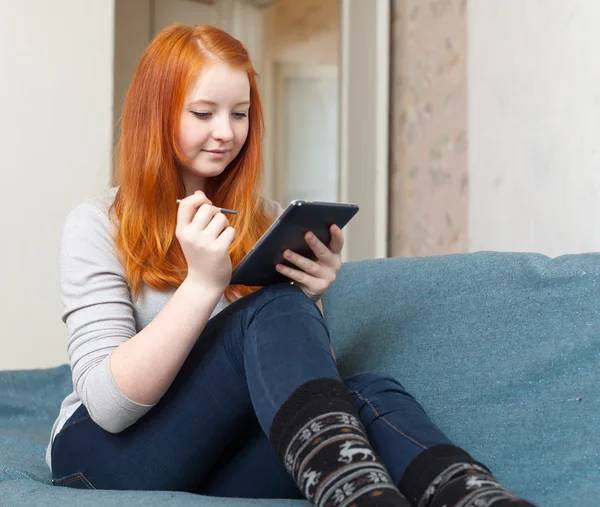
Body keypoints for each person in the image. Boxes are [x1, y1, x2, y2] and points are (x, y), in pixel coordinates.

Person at [47, 24, 536, 507]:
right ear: (155, 116)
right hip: (100, 458)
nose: (226, 133)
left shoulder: (261, 219)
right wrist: (202, 287)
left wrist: (311, 300)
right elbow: (108, 409)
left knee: (368, 392)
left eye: (239, 114)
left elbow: (290, 384)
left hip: (213, 454)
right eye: (203, 113)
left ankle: (475, 497)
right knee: (272, 305)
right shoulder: (97, 224)